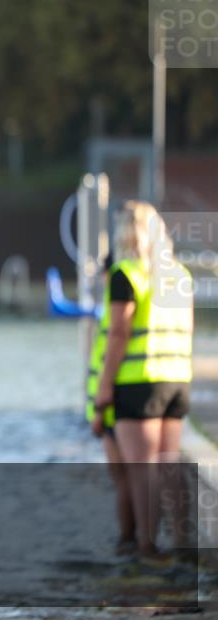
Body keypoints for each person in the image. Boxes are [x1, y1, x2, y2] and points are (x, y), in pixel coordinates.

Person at [92, 201, 193, 559]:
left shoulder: (127, 274)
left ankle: (147, 546)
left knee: (142, 469)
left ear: (124, 234)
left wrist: (104, 388)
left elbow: (119, 333)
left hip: (138, 381)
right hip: (177, 380)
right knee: (169, 464)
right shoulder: (179, 275)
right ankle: (183, 542)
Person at [87, 252, 136, 555]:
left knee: (123, 480)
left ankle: (129, 541)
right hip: (128, 402)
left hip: (114, 407)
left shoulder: (114, 313)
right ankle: (136, 541)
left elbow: (108, 360)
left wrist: (99, 409)